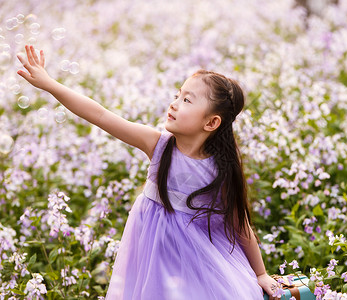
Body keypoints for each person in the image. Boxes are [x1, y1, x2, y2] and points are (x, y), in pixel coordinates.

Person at [17, 45, 280, 299]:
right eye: (177, 94)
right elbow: (100, 115)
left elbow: (239, 224)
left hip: (196, 261)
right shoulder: (158, 145)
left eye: (187, 100)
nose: (174, 103)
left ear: (211, 122)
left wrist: (261, 273)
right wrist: (49, 83)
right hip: (150, 254)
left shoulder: (219, 169)